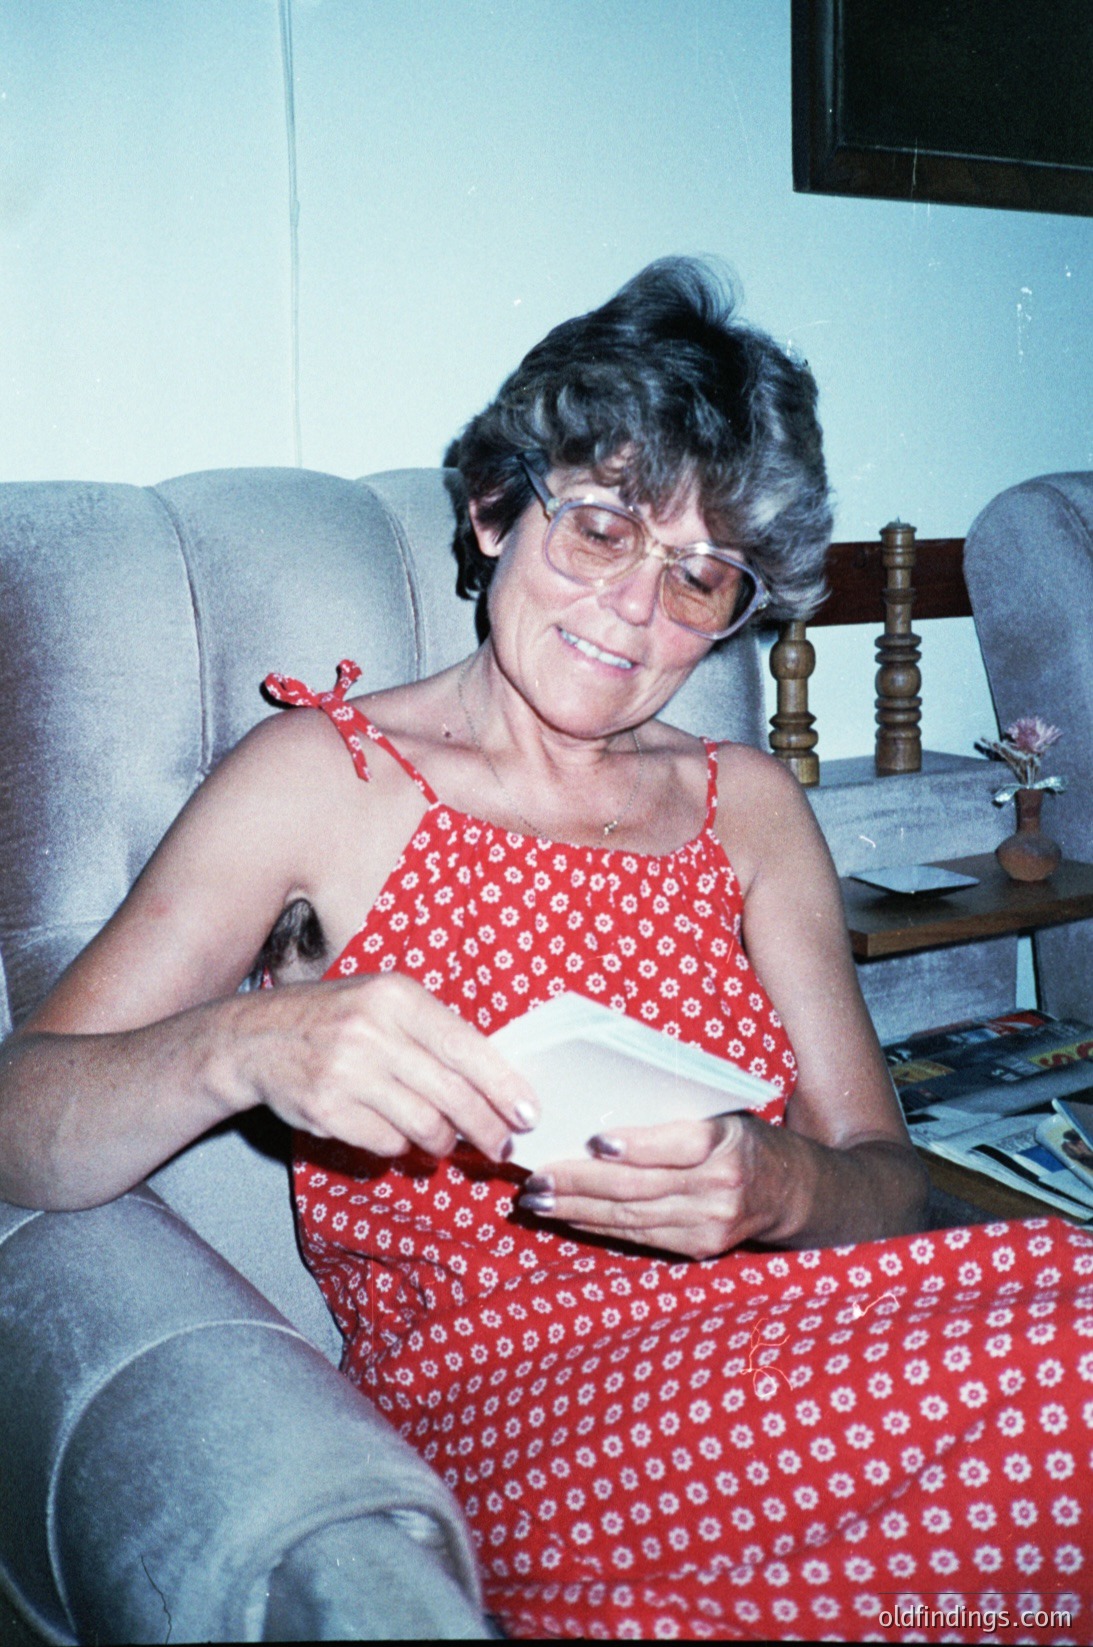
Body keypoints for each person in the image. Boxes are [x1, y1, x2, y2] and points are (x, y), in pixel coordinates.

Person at [1, 259, 1089, 1642]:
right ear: (497, 506)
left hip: (793, 1357)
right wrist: (247, 1043)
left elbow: (882, 1183)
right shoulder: (321, 775)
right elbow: (20, 1121)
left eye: (699, 576)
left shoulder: (741, 805)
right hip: (508, 1403)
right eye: (599, 530)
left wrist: (778, 1186)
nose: (636, 613)